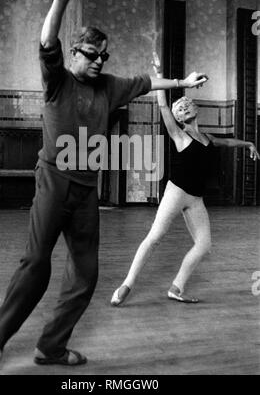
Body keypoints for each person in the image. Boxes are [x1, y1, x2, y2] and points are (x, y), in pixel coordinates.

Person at [0, 0, 208, 371]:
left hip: (86, 194)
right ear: (74, 54)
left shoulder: (110, 87)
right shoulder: (57, 81)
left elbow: (144, 81)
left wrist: (181, 80)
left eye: (104, 56)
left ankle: (50, 348)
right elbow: (47, 40)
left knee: (85, 276)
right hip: (53, 182)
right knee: (36, 264)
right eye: (91, 54)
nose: (100, 61)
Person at [111, 59, 260, 306]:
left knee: (204, 245)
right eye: (181, 107)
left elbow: (228, 142)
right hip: (176, 192)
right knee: (155, 237)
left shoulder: (206, 137)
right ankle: (127, 284)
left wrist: (249, 144)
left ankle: (176, 287)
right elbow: (163, 107)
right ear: (180, 117)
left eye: (186, 104)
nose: (184, 108)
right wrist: (159, 75)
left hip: (195, 198)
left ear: (194, 109)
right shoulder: (180, 135)